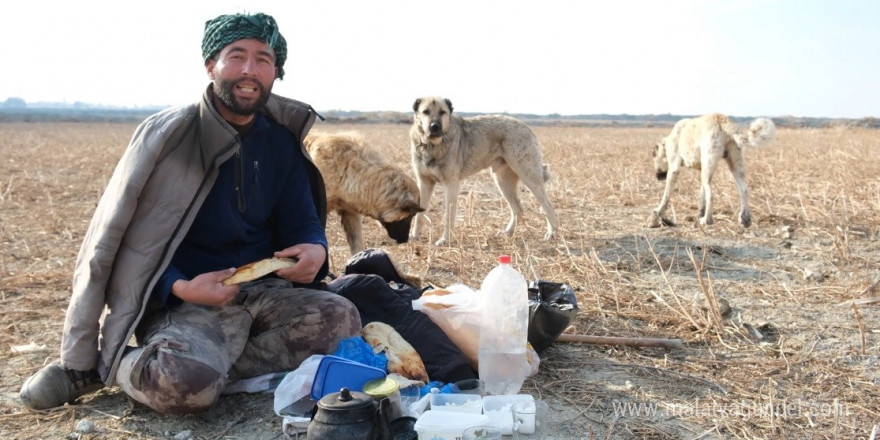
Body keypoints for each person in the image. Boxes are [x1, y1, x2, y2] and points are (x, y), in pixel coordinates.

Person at [19, 12, 362, 414]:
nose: (249, 70)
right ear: (210, 65)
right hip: (186, 303)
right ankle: (106, 368)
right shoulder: (166, 138)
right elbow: (116, 243)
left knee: (341, 322)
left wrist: (315, 249)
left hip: (264, 293)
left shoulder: (281, 141)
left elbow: (300, 219)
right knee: (178, 387)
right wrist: (179, 287)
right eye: (237, 56)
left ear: (275, 72)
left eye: (263, 60)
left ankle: (208, 368)